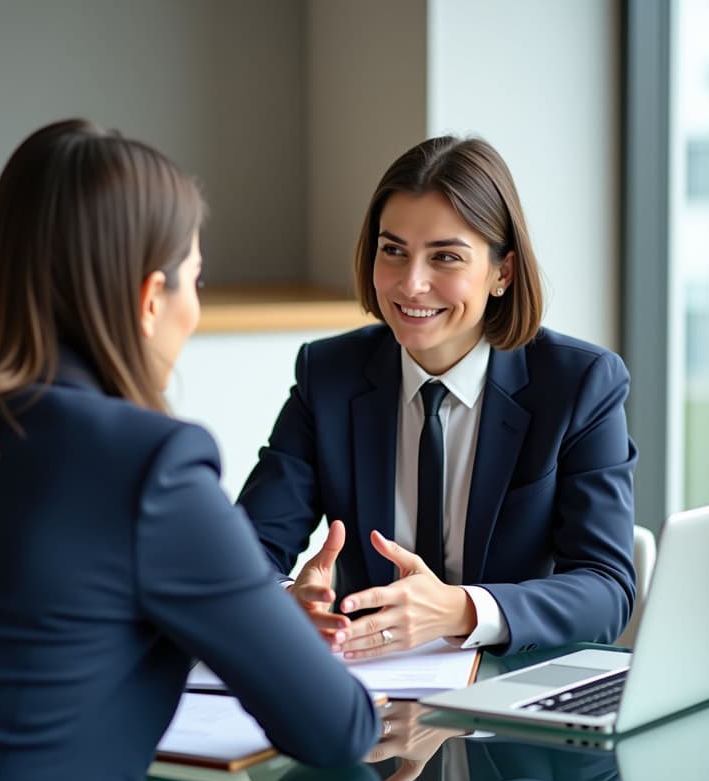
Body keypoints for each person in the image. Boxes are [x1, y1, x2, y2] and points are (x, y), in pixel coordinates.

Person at [0, 119, 379, 781]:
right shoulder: (149, 467)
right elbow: (336, 729)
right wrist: (277, 628)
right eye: (194, 281)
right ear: (151, 298)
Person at [238, 135, 637, 659]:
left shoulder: (579, 384)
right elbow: (243, 556)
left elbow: (606, 589)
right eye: (393, 251)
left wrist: (460, 610)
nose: (411, 284)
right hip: (369, 693)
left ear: (502, 272)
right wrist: (289, 601)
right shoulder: (329, 375)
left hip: (509, 690)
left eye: (445, 257)